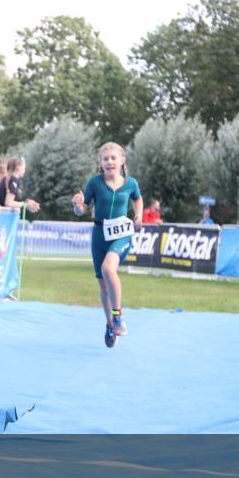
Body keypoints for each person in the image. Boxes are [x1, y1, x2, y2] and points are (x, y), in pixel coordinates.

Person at [72, 142, 143, 349]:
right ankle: (110, 324)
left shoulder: (131, 183)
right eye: (105, 159)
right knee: (103, 284)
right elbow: (81, 210)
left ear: (122, 161)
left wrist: (138, 215)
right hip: (99, 234)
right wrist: (77, 205)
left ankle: (118, 316)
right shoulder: (95, 183)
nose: (109, 162)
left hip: (121, 234)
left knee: (108, 268)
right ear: (100, 163)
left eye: (113, 158)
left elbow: (138, 199)